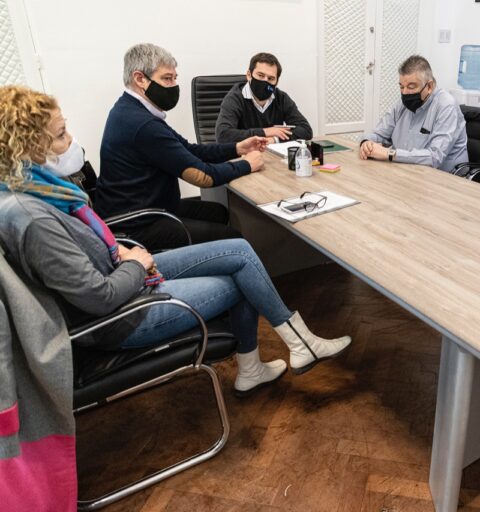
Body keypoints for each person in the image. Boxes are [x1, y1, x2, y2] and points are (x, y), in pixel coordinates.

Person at [0, 85, 352, 396]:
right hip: (123, 315)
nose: (71, 141)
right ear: (29, 147)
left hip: (122, 271)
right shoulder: (31, 217)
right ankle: (279, 353)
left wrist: (120, 251)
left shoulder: (39, 191)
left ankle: (284, 349)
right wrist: (136, 264)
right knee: (245, 279)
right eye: (61, 134)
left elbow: (83, 254)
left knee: (240, 251)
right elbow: (98, 297)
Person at [96, 43, 269, 251]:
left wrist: (237, 148)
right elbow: (203, 176)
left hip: (147, 207)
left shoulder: (132, 110)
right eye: (167, 78)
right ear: (140, 79)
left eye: (174, 78)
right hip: (138, 224)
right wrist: (247, 164)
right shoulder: (143, 125)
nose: (174, 85)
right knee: (235, 241)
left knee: (218, 213)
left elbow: (189, 149)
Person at [359, 55, 468, 172]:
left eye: (411, 87)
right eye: (401, 87)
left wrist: (389, 153)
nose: (405, 93)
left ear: (429, 86)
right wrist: (367, 143)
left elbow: (435, 157)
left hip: (446, 180)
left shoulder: (446, 106)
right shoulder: (402, 104)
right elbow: (379, 134)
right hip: (408, 171)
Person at [215, 52, 312, 144]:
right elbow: (223, 135)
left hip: (272, 155)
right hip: (243, 156)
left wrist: (274, 139)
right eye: (260, 75)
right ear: (249, 75)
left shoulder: (281, 98)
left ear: (276, 82)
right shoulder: (235, 98)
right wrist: (265, 132)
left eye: (271, 78)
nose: (265, 81)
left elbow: (305, 130)